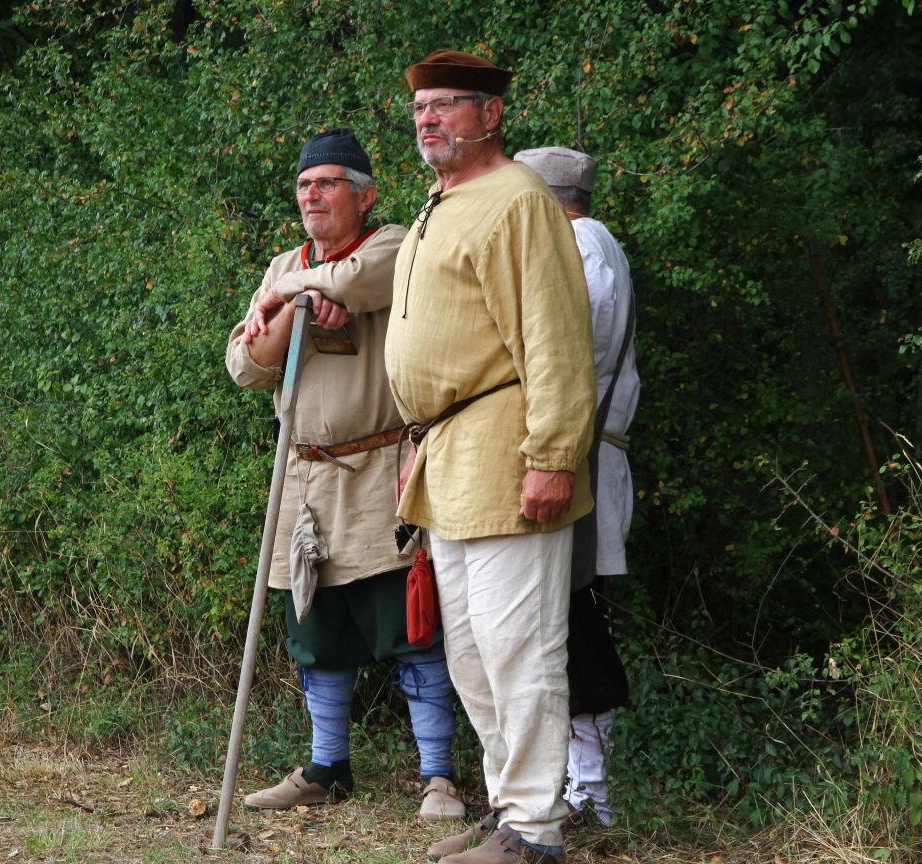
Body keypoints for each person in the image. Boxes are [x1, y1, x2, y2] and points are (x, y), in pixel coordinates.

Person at [383, 51, 597, 864]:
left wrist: (554, 457)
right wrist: (416, 445)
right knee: (472, 653)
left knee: (519, 648)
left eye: (445, 105)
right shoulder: (441, 204)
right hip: (449, 454)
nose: (428, 119)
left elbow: (555, 340)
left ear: (491, 114)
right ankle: (510, 807)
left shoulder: (518, 200)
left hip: (508, 451)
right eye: (420, 108)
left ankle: (536, 830)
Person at [225, 128, 465, 823]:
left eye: (327, 183)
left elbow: (358, 282)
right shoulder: (285, 263)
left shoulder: (393, 244)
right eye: (304, 185)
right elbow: (243, 366)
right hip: (303, 475)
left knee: (410, 624)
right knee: (316, 627)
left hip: (380, 469)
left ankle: (438, 776)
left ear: (364, 195)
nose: (312, 195)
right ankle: (326, 767)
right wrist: (295, 311)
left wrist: (290, 293)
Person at [513, 146, 640, 828]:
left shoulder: (581, 247)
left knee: (572, 623)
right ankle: (569, 789)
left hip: (575, 457)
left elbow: (562, 360)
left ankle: (589, 796)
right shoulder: (587, 243)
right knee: (559, 623)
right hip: (576, 453)